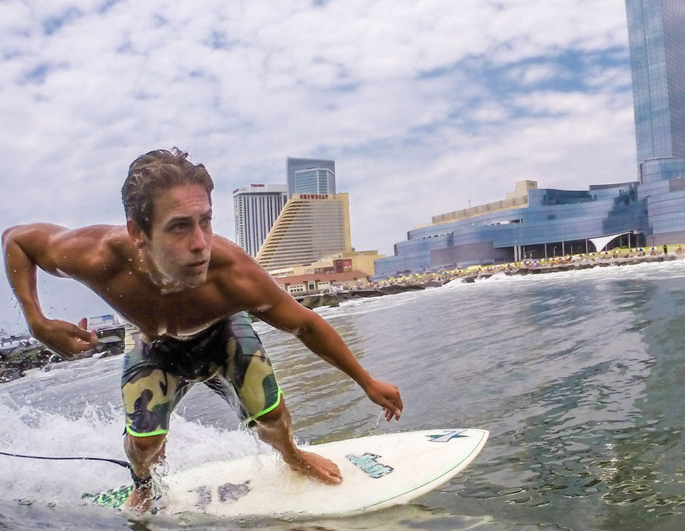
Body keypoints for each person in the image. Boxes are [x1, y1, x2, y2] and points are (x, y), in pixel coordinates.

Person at [2, 149, 404, 511]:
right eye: (179, 227)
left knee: (271, 416)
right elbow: (16, 240)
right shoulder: (96, 256)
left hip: (221, 335)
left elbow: (306, 324)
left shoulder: (233, 275)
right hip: (152, 345)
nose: (201, 244)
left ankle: (292, 455)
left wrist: (366, 381)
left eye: (206, 221)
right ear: (138, 232)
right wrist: (37, 322)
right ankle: (142, 483)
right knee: (144, 443)